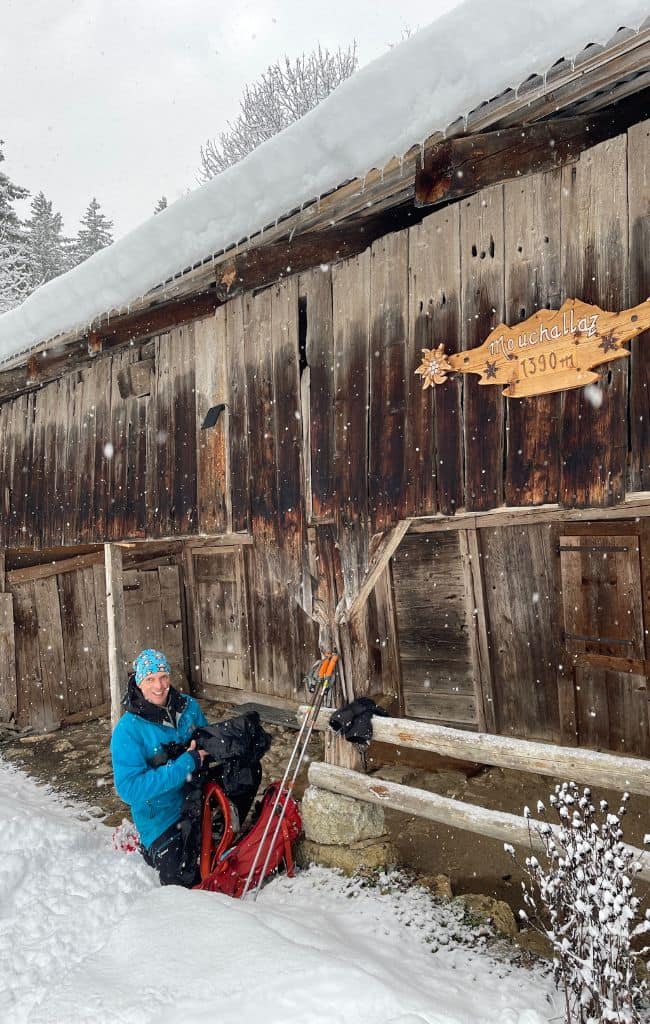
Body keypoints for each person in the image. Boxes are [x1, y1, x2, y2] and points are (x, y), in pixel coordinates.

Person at [110, 648, 209, 887]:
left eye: (163, 677)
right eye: (150, 679)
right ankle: (148, 846)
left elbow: (207, 738)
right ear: (139, 683)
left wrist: (207, 747)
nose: (159, 686)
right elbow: (130, 789)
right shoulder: (128, 730)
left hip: (197, 798)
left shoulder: (188, 707)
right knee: (183, 881)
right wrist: (185, 763)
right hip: (161, 818)